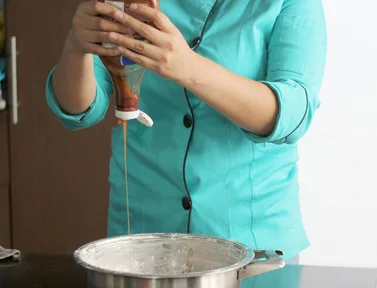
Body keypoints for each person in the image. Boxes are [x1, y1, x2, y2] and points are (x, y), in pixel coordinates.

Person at [46, 0, 327, 262]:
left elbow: (293, 113)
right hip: (143, 239)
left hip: (254, 246)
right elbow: (80, 111)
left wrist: (188, 67)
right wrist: (76, 47)